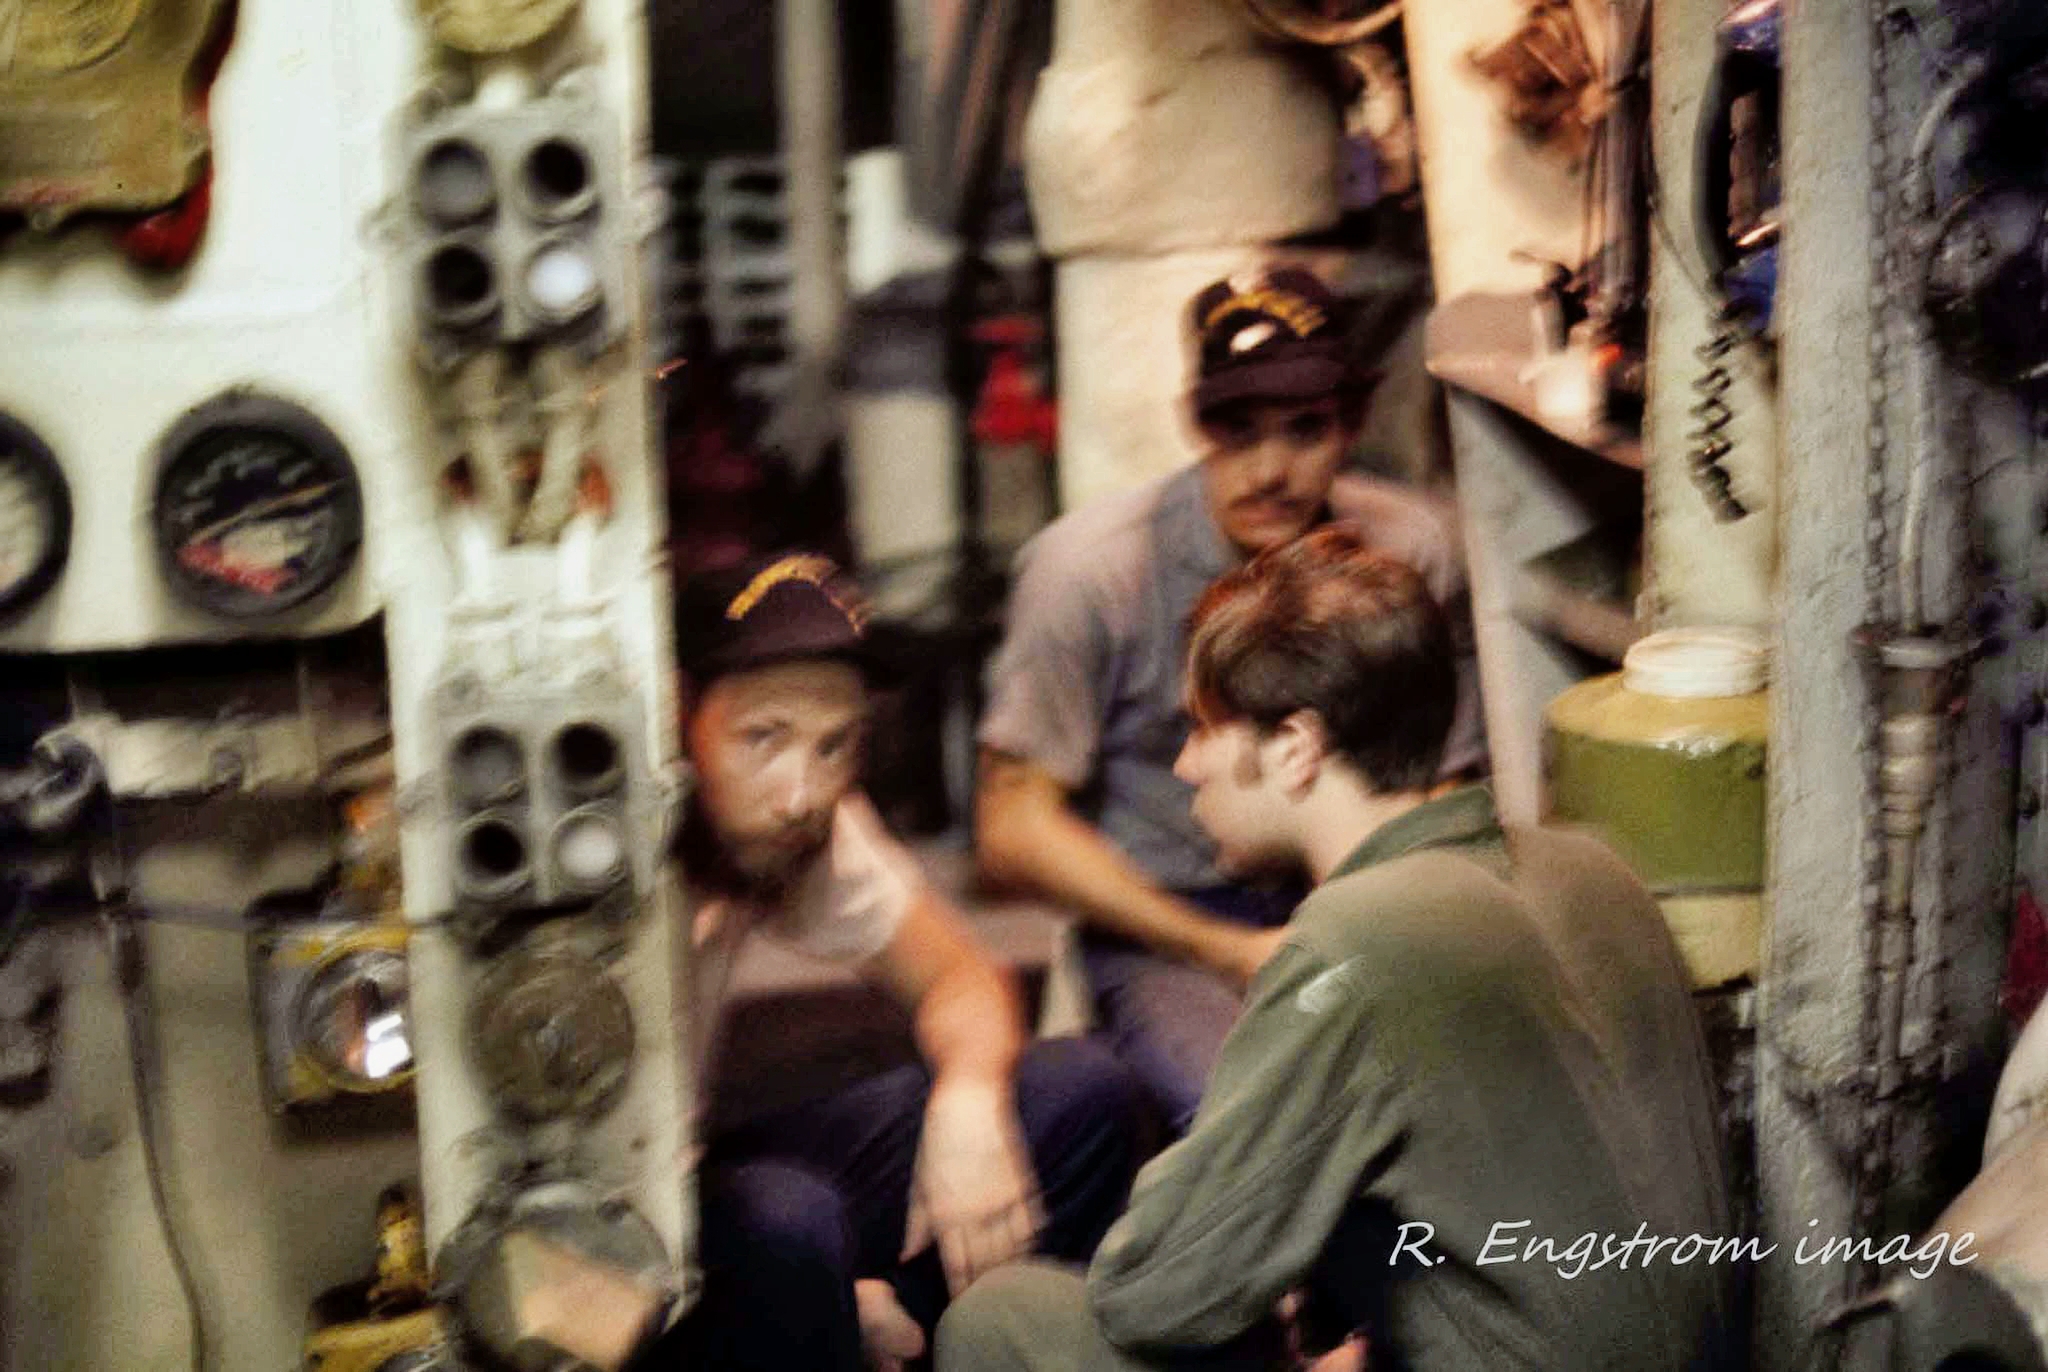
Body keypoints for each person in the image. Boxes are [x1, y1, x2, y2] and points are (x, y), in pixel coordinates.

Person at [937, 530, 1737, 1371]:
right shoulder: (1591, 869)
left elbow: (1160, 1293)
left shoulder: (1356, 942)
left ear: (1296, 747)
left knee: (1003, 1316)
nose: (1185, 764)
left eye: (1203, 728)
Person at [976, 265, 1481, 1133]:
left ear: (1353, 420)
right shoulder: (1092, 571)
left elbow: (1443, 781)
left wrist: (1377, 931)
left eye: (1305, 428)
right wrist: (1219, 948)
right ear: (1194, 422)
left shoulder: (1409, 551)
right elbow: (1012, 826)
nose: (1270, 469)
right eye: (1237, 430)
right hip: (1172, 919)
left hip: (1360, 894)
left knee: (1453, 1097)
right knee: (1249, 1120)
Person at [648, 552, 1143, 1372]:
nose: (801, 794)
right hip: (620, 1238)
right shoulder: (600, 857)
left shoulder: (807, 825)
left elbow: (958, 975)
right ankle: (855, 1324)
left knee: (1080, 1092)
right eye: (762, 737)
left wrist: (968, 1100)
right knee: (787, 1223)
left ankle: (943, 1339)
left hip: (707, 1183)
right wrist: (842, 1297)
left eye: (834, 746)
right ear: (676, 714)